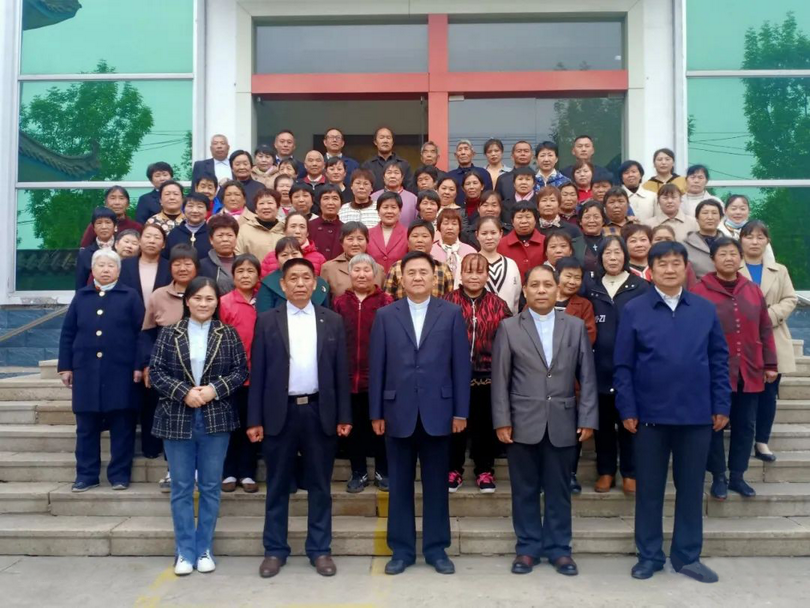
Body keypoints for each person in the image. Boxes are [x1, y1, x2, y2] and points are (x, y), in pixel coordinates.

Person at [614, 241, 730, 583]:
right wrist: (627, 408)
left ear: (685, 268)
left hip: (696, 417)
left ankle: (687, 555)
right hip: (649, 417)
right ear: (651, 269)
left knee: (691, 489)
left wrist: (721, 404)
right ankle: (649, 556)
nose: (669, 269)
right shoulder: (635, 310)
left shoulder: (704, 310)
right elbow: (623, 365)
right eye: (661, 263)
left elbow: (720, 360)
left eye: (675, 263)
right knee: (648, 490)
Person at [247, 258, 352, 579]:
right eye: (293, 278)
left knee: (320, 485)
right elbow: (259, 373)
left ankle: (320, 549)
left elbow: (340, 374)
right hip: (280, 413)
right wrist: (254, 420)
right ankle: (274, 550)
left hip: (320, 411)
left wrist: (344, 415)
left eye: (306, 278)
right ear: (283, 284)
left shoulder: (331, 320)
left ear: (316, 283)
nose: (300, 284)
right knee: (277, 485)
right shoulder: (266, 321)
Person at [369, 251, 472, 576]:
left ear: (434, 278)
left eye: (423, 272)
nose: (416, 277)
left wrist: (460, 411)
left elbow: (460, 366)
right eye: (410, 272)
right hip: (397, 412)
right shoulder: (386, 315)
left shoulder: (451, 313)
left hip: (438, 412)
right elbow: (378, 367)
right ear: (401, 278)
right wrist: (376, 412)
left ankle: (436, 548)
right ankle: (400, 550)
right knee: (398, 485)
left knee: (436, 486)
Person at [491, 264, 598, 577]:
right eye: (534, 285)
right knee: (524, 490)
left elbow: (588, 377)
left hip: (563, 421)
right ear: (525, 291)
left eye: (547, 285)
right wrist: (501, 420)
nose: (541, 290)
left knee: (559, 489)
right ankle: (527, 548)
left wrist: (588, 416)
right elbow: (500, 379)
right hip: (522, 422)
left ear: (557, 289)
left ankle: (559, 549)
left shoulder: (575, 326)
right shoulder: (509, 327)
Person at [149, 276, 248, 576]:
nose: (204, 304)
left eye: (209, 299)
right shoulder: (169, 333)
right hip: (177, 416)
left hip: (215, 417)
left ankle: (203, 547)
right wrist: (184, 392)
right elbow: (156, 371)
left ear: (217, 302)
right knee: (180, 487)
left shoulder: (227, 334)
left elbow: (239, 370)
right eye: (198, 298)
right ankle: (184, 551)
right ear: (187, 300)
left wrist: (213, 390)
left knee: (209, 486)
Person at [692, 237, 777, 500]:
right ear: (713, 259)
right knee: (714, 425)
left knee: (745, 425)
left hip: (749, 369)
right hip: (714, 372)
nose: (729, 258)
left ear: (740, 258)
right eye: (723, 254)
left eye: (733, 254)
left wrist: (770, 363)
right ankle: (718, 475)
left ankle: (738, 475)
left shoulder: (752, 290)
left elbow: (764, 327)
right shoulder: (699, 291)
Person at [58, 249, 145, 492]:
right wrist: (65, 366)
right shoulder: (82, 297)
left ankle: (119, 475)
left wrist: (139, 365)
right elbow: (68, 333)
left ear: (118, 270)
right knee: (86, 427)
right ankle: (86, 475)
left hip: (121, 372)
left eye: (111, 266)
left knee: (122, 425)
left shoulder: (130, 296)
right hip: (86, 371)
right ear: (92, 270)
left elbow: (141, 334)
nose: (106, 270)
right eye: (101, 265)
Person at [584, 236, 649, 494]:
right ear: (600, 259)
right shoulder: (591, 286)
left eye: (617, 253)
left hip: (631, 369)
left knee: (629, 422)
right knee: (603, 426)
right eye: (608, 253)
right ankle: (606, 471)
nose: (613, 258)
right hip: (598, 366)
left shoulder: (640, 287)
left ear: (625, 256)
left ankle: (630, 472)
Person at [443, 254, 511, 493]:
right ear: (461, 274)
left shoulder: (498, 304)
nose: (474, 276)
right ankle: (453, 469)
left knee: (484, 426)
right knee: (456, 427)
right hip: (454, 377)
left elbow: (508, 339)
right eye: (469, 271)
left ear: (486, 275)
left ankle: (484, 470)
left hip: (487, 376)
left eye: (479, 271)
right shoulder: (447, 302)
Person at [140, 244, 200, 490]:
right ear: (170, 267)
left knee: (200, 423)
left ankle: (199, 471)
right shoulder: (158, 295)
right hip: (168, 372)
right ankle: (172, 470)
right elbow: (147, 333)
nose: (183, 268)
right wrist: (148, 365)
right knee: (172, 423)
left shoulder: (205, 291)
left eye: (188, 263)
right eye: (177, 263)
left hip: (201, 369)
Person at [332, 254, 393, 493]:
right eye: (356, 270)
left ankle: (382, 470)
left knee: (380, 427)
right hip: (347, 378)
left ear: (375, 273)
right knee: (353, 427)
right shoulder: (338, 303)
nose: (361, 274)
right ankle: (358, 471)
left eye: (366, 270)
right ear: (350, 273)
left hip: (377, 377)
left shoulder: (386, 301)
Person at [739, 221, 798, 461]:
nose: (754, 241)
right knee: (744, 394)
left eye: (760, 237)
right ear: (741, 240)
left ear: (767, 241)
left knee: (768, 393)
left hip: (773, 336)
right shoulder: (733, 267)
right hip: (742, 338)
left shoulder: (779, 270)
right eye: (749, 236)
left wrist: (767, 317)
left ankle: (762, 441)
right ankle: (742, 436)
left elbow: (790, 298)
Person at [554, 256, 598, 493]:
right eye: (568, 275)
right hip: (542, 375)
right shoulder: (541, 298)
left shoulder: (584, 305)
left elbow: (589, 335)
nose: (572, 281)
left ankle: (570, 473)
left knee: (572, 430)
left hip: (573, 375)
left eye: (577, 277)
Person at [219, 254, 262, 494]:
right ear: (233, 276)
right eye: (240, 272)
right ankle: (229, 472)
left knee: (251, 425)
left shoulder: (264, 302)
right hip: (229, 375)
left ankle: (247, 472)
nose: (245, 275)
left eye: (250, 271)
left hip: (256, 376)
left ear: (258, 275)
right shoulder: (224, 302)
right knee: (230, 426)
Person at [383, 220, 454, 300]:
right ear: (408, 241)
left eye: (424, 236)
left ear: (432, 241)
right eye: (415, 236)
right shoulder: (396, 268)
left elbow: (450, 301)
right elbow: (387, 301)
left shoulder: (443, 269)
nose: (420, 240)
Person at [256, 238, 330, 312]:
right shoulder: (268, 284)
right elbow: (264, 317)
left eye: (294, 254)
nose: (290, 258)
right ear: (277, 259)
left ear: (302, 255)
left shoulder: (320, 284)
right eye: (284, 255)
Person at [321, 222, 385, 298]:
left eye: (360, 239)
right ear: (341, 242)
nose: (355, 243)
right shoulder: (329, 268)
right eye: (350, 239)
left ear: (367, 242)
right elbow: (324, 302)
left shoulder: (378, 269)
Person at [476, 217, 521, 314]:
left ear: (500, 234)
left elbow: (516, 299)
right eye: (484, 233)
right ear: (477, 235)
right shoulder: (468, 263)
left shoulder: (511, 264)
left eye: (493, 233)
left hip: (508, 323)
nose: (489, 238)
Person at [260, 211, 326, 277]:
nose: (297, 231)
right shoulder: (270, 258)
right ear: (284, 231)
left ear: (307, 232)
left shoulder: (319, 259)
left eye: (302, 227)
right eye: (293, 226)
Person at [718, 195, 776, 263]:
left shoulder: (758, 230)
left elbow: (768, 257)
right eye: (733, 209)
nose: (738, 212)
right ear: (725, 211)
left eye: (742, 209)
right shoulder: (717, 232)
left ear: (749, 211)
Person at [497, 202, 546, 280]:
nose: (524, 221)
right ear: (512, 221)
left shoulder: (545, 242)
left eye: (528, 217)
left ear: (535, 220)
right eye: (519, 217)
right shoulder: (501, 244)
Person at [235, 188, 285, 263]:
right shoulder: (245, 230)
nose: (266, 207)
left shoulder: (285, 229)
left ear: (278, 207)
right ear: (256, 209)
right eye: (261, 203)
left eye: (270, 203)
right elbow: (238, 256)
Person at [535, 186, 585, 261]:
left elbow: (579, 257)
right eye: (544, 200)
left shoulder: (573, 230)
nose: (548, 204)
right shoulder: (532, 229)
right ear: (538, 207)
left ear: (559, 205)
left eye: (552, 200)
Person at [431, 209, 477, 289]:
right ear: (439, 227)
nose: (450, 227)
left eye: (454, 224)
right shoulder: (431, 251)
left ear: (460, 228)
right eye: (445, 223)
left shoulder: (470, 251)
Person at [76, 207, 117, 289]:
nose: (104, 227)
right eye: (99, 223)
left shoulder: (122, 250)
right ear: (93, 228)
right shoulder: (85, 254)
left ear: (115, 226)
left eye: (108, 222)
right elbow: (80, 287)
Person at [367, 191, 409, 273]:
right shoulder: (367, 234)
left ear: (400, 211)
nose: (389, 211)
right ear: (378, 211)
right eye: (385, 207)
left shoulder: (408, 234)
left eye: (393, 207)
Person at [362, 126, 413, 191]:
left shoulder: (404, 164)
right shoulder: (367, 165)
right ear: (375, 142)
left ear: (393, 142)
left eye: (388, 138)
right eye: (382, 137)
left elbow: (409, 188)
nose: (385, 141)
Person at [683, 199, 724, 279]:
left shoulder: (730, 243)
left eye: (714, 213)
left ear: (720, 218)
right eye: (705, 213)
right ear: (697, 218)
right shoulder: (685, 245)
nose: (710, 217)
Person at [165, 193, 213, 261]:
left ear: (207, 211)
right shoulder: (174, 233)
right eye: (190, 206)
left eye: (200, 207)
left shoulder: (212, 233)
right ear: (183, 209)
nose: (195, 210)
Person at [199, 214, 239, 294]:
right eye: (220, 235)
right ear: (211, 240)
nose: (225, 239)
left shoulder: (243, 262)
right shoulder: (202, 266)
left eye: (229, 235)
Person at [651, 224, 699, 288]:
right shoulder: (646, 264)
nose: (663, 242)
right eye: (658, 239)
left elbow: (693, 288)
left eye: (668, 239)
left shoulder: (685, 264)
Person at [371, 160, 418, 226]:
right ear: (383, 177)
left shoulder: (413, 199)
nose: (392, 176)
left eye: (396, 173)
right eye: (389, 173)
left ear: (402, 177)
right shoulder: (373, 198)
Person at [446, 139, 493, 204]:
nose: (463, 152)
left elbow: (489, 197)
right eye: (460, 150)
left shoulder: (484, 173)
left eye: (466, 149)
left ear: (473, 154)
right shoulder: (449, 176)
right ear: (455, 155)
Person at [307, 185, 343, 260]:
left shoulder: (345, 230)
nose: (330, 203)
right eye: (326, 198)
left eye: (335, 198)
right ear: (319, 203)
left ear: (341, 203)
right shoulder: (309, 227)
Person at [578, 200, 606, 273]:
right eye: (587, 217)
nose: (591, 221)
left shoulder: (611, 243)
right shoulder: (573, 244)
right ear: (580, 221)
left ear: (603, 221)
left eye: (596, 217)